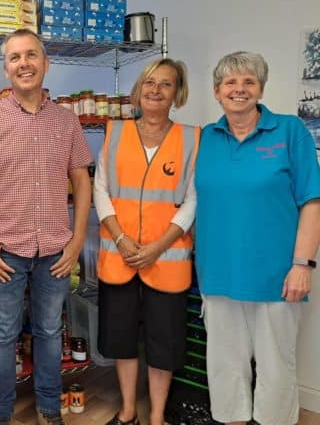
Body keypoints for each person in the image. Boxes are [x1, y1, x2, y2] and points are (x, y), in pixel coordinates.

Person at [0, 28, 92, 425]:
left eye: (31, 55)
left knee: (50, 332)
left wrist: (77, 240)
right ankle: (0, 415)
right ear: (5, 69)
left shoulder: (67, 121)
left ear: (45, 63)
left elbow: (82, 180)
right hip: (3, 249)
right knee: (2, 336)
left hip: (55, 249)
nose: (24, 64)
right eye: (15, 57)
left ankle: (49, 408)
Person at [195, 51, 320, 425]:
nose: (239, 89)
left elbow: (312, 201)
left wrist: (303, 265)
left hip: (276, 276)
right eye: (230, 82)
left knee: (276, 368)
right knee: (224, 368)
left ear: (261, 88)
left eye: (249, 81)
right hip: (218, 275)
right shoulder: (205, 138)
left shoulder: (289, 131)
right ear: (217, 91)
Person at [94, 58, 199, 425]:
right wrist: (121, 238)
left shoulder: (191, 138)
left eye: (166, 84)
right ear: (138, 89)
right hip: (118, 256)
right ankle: (127, 412)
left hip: (166, 258)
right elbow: (100, 190)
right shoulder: (116, 132)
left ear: (178, 93)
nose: (155, 90)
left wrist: (158, 245)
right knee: (122, 341)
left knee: (163, 345)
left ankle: (156, 417)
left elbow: (192, 199)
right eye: (149, 82)